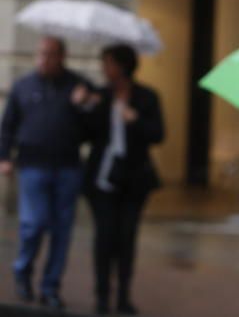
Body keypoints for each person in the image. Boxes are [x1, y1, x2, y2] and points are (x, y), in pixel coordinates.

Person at [0, 36, 92, 309]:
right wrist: (4, 157)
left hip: (67, 167)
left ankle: (50, 286)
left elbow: (93, 129)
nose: (44, 60)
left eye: (51, 54)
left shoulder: (79, 86)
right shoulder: (23, 86)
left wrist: (84, 105)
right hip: (32, 166)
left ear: (62, 57)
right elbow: (8, 126)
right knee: (33, 224)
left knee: (62, 231)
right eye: (41, 54)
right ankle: (22, 271)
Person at [81, 44, 164, 315]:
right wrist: (85, 107)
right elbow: (85, 133)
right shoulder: (99, 96)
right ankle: (102, 295)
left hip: (134, 179)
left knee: (126, 238)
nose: (106, 69)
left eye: (110, 63)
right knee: (104, 236)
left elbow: (158, 134)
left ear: (123, 66)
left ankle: (123, 295)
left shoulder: (146, 97)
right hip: (102, 179)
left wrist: (134, 119)